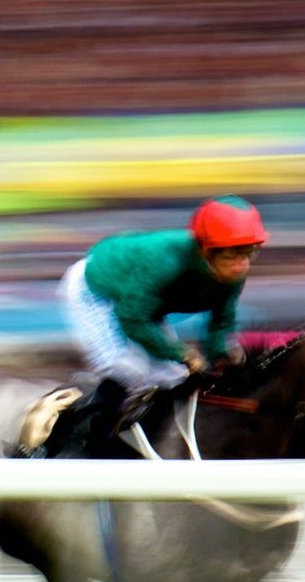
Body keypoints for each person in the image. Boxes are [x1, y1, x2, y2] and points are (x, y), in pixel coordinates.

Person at [39, 195, 268, 458]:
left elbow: (221, 322)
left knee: (173, 377)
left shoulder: (232, 275)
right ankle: (65, 447)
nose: (241, 265)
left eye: (247, 254)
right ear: (207, 250)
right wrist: (182, 353)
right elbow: (132, 319)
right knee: (128, 369)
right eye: (231, 256)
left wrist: (221, 356)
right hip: (96, 290)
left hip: (141, 305)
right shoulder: (165, 263)